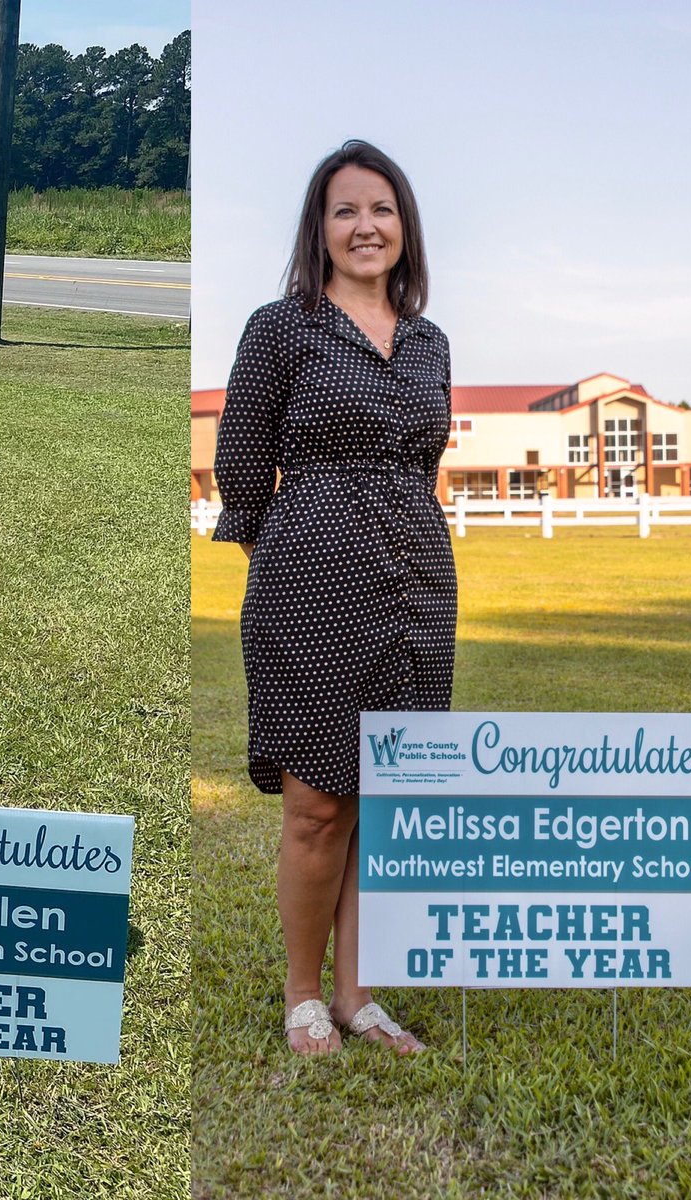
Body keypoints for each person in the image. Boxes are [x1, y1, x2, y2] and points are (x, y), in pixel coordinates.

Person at [212, 141, 456, 1055]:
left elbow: (423, 458)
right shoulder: (280, 329)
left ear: (406, 227)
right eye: (346, 210)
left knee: (387, 797)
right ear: (319, 228)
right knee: (318, 801)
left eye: (382, 209)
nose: (366, 226)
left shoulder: (431, 341)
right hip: (309, 576)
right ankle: (304, 994)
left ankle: (361, 995)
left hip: (418, 581)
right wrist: (283, 556)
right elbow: (241, 464)